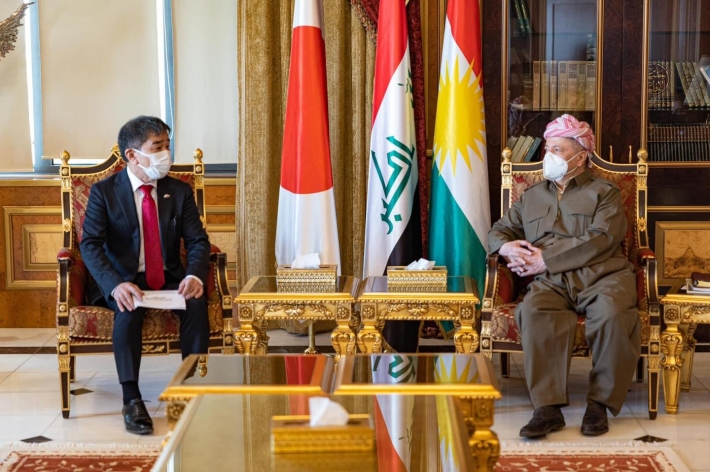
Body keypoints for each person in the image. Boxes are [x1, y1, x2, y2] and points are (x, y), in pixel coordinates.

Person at [488, 114, 641, 438]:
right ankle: (547, 408)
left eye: (557, 149)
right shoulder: (531, 196)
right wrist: (505, 247)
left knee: (612, 314)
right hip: (552, 281)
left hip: (604, 276)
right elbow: (500, 229)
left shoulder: (606, 193)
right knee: (534, 309)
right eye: (548, 148)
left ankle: (599, 405)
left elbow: (602, 237)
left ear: (580, 156)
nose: (549, 156)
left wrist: (545, 259)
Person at [81, 116, 210, 435]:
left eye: (168, 146)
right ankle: (132, 399)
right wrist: (115, 285)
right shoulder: (105, 192)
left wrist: (195, 276)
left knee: (196, 302)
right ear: (132, 155)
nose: (167, 154)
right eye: (157, 147)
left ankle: (188, 389)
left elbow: (197, 240)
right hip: (124, 278)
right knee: (128, 310)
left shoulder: (178, 191)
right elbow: (90, 245)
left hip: (169, 276)